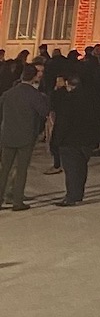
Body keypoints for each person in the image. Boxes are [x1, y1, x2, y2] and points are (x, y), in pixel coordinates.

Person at [0, 66, 50, 210]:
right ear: (34, 77)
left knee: (4, 169)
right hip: (26, 136)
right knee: (21, 169)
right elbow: (44, 112)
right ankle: (17, 201)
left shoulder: (9, 93)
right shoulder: (34, 95)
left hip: (8, 135)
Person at [47, 73, 94, 206]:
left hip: (69, 140)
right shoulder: (91, 99)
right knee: (81, 168)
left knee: (72, 170)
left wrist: (55, 140)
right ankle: (78, 194)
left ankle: (72, 196)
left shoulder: (68, 100)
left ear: (68, 84)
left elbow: (63, 122)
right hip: (86, 140)